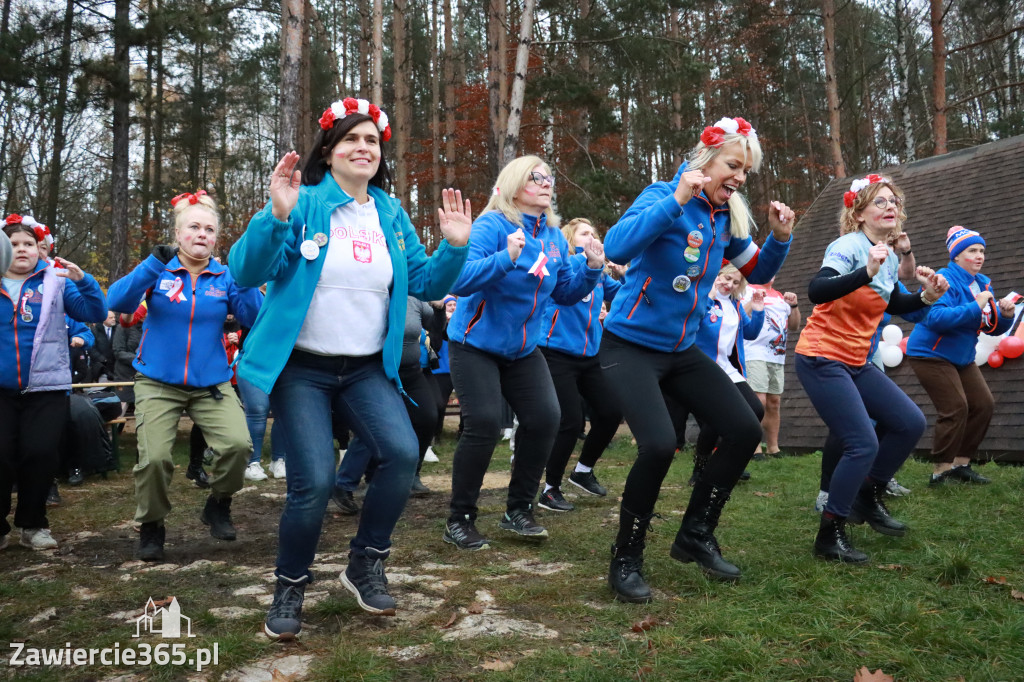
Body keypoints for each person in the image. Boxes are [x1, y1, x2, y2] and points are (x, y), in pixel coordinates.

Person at [229, 97, 470, 640]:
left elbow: (429, 285)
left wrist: (455, 247)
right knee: (312, 482)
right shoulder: (303, 201)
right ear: (330, 150)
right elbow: (245, 271)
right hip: (303, 370)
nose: (363, 148)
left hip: (365, 368)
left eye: (372, 142)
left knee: (403, 454)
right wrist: (276, 216)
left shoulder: (388, 213)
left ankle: (364, 563)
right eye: (352, 139)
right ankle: (290, 584)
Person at [599, 116, 794, 603]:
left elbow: (760, 271)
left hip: (682, 350)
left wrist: (780, 236)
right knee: (660, 446)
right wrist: (677, 200)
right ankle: (627, 556)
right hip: (629, 344)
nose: (740, 178)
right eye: (734, 165)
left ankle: (695, 534)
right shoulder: (662, 195)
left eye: (746, 171)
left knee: (746, 426)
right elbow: (617, 247)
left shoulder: (722, 217)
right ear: (704, 160)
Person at [442, 155, 605, 550]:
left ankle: (519, 509)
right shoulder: (492, 225)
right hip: (475, 342)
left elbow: (565, 293)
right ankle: (460, 517)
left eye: (551, 177)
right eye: (537, 177)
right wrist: (506, 258)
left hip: (522, 349)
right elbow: (460, 280)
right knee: (481, 423)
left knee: (546, 417)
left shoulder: (551, 236)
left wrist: (592, 269)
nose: (547, 183)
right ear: (515, 186)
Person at [795, 173, 947, 564]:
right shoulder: (848, 246)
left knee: (909, 422)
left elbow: (895, 303)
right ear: (859, 212)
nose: (890, 206)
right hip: (822, 356)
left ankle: (866, 495)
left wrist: (927, 297)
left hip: (857, 360)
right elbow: (817, 290)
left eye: (894, 201)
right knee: (862, 442)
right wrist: (864, 270)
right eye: (880, 201)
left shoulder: (889, 254)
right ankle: (830, 534)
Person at [107, 190, 263, 563]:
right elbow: (117, 302)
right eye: (193, 227)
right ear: (177, 234)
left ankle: (218, 503)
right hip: (158, 382)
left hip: (211, 383)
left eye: (209, 229)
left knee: (239, 447)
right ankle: (152, 524)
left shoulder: (225, 277)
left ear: (216, 238)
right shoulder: (157, 271)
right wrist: (150, 265)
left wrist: (243, 278)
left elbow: (254, 317)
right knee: (156, 458)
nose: (202, 234)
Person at [1, 216, 107, 550]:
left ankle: (33, 525)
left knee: (40, 453)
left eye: (28, 244)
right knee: (1, 455)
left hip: (46, 387)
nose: (22, 249)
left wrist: (84, 280)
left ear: (39, 250)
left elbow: (94, 311)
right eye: (14, 244)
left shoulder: (57, 282)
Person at [906, 226, 1015, 487]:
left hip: (962, 355)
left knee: (983, 404)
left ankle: (960, 465)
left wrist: (1006, 316)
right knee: (955, 407)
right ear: (956, 256)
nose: (979, 256)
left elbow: (988, 325)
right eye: (972, 251)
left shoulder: (982, 282)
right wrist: (975, 304)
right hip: (929, 353)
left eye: (981, 251)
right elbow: (936, 319)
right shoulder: (945, 278)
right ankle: (940, 471)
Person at [535, 217, 624, 512]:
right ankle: (550, 489)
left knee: (611, 412)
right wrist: (589, 266)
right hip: (556, 352)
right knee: (571, 421)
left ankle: (583, 471)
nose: (593, 236)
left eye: (595, 232)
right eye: (585, 233)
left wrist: (625, 275)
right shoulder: (564, 265)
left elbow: (621, 297)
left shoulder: (598, 272)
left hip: (590, 356)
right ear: (571, 241)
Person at [690, 265, 765, 483]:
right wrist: (708, 297)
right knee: (715, 419)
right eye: (727, 278)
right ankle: (700, 468)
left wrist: (758, 309)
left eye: (735, 282)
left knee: (755, 411)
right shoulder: (702, 298)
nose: (729, 285)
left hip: (728, 368)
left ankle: (724, 460)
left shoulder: (735, 304)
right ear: (717, 275)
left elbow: (750, 333)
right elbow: (692, 324)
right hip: (703, 367)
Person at [742, 278, 799, 459]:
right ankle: (754, 447)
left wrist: (795, 306)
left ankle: (773, 448)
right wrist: (754, 301)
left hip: (777, 355)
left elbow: (795, 325)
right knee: (758, 401)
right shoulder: (746, 290)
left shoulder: (780, 296)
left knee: (774, 402)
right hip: (754, 352)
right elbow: (739, 315)